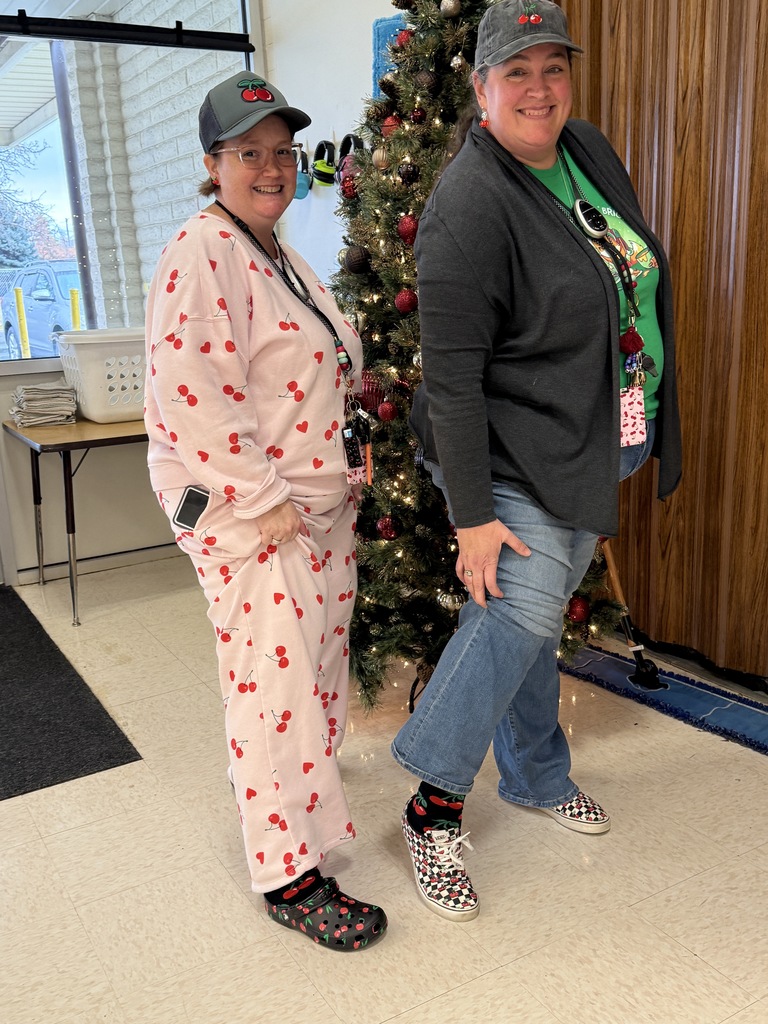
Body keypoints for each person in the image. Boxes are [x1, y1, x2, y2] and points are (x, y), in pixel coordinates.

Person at [394, 0, 682, 921]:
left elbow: (625, 274)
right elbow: (451, 382)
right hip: (502, 450)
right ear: (481, 88)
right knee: (519, 612)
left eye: (553, 67)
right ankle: (432, 803)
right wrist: (474, 517)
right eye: (516, 71)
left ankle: (531, 774)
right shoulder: (468, 206)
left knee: (542, 611)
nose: (539, 87)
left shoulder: (587, 150)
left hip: (586, 437)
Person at [144, 71, 387, 951]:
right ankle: (288, 876)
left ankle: (313, 839)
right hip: (260, 522)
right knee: (272, 695)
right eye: (250, 152)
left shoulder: (272, 248)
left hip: (314, 511)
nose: (272, 167)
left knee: (311, 683)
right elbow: (194, 394)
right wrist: (267, 501)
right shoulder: (201, 251)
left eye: (283, 151)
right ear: (213, 163)